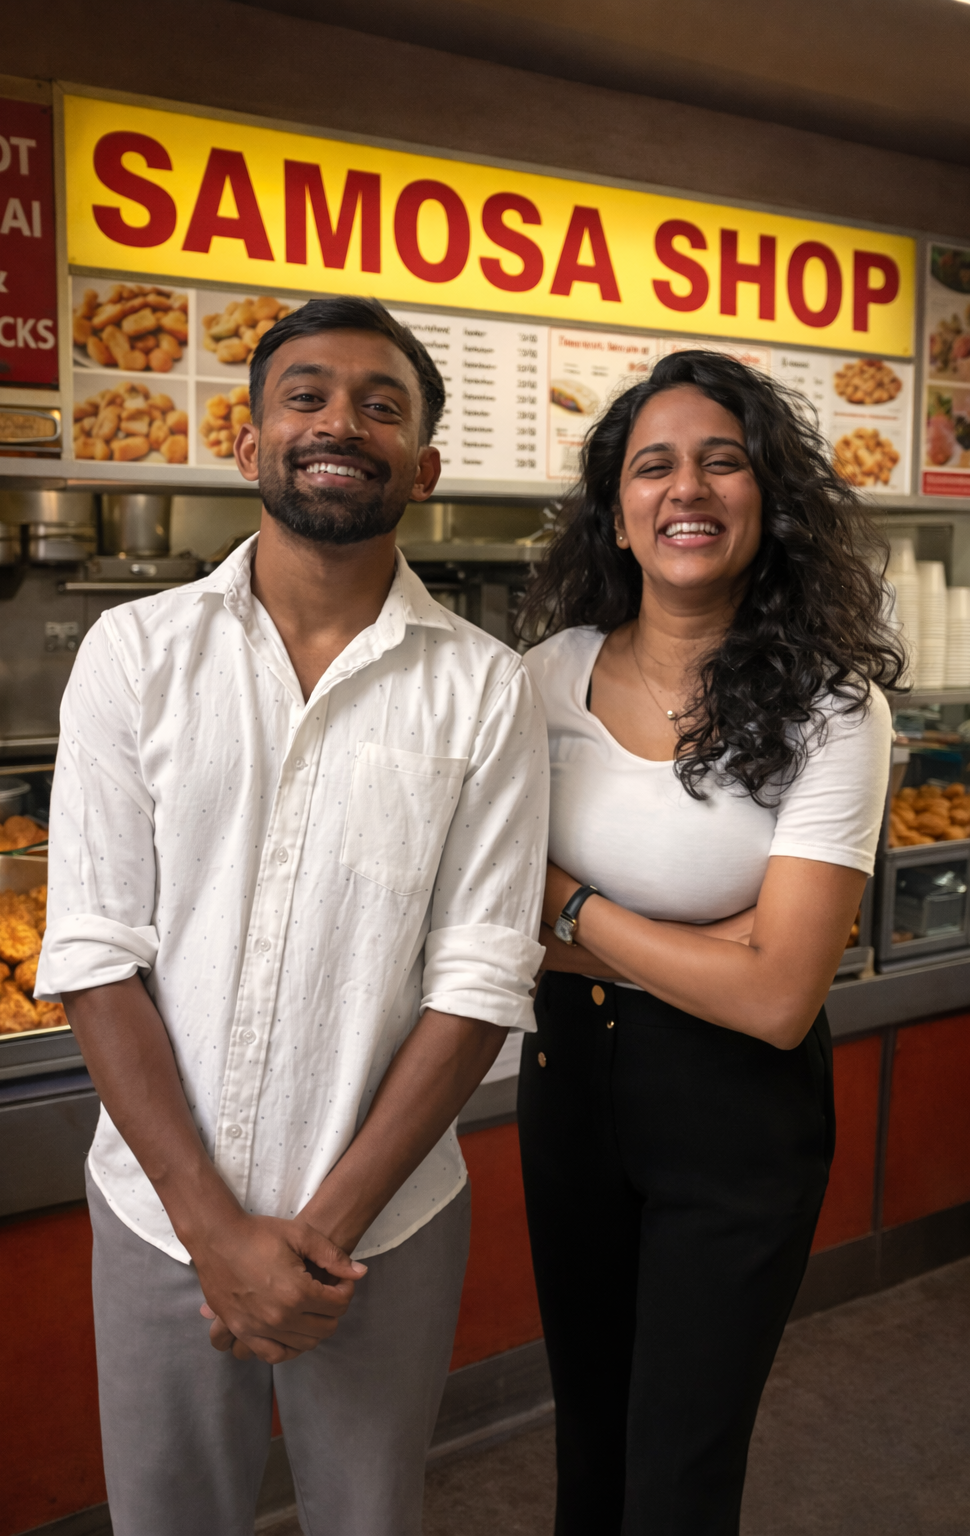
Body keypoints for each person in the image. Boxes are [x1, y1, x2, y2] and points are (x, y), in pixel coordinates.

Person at [36, 296, 549, 1536]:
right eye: (306, 395)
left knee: (370, 1522)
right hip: (160, 1215)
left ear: (421, 467)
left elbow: (477, 980)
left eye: (383, 405)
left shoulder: (486, 689)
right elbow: (97, 954)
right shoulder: (133, 653)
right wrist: (214, 1232)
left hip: (385, 1222)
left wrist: (310, 1240)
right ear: (249, 438)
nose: (341, 423)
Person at [516, 349, 901, 1536]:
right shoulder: (538, 680)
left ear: (765, 499)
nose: (687, 488)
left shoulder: (834, 706)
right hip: (568, 1087)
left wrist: (572, 910)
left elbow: (780, 998)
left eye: (721, 461)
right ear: (617, 513)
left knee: (678, 1474)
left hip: (737, 1118)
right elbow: (484, 906)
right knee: (587, 1436)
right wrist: (713, 944)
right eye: (654, 466)